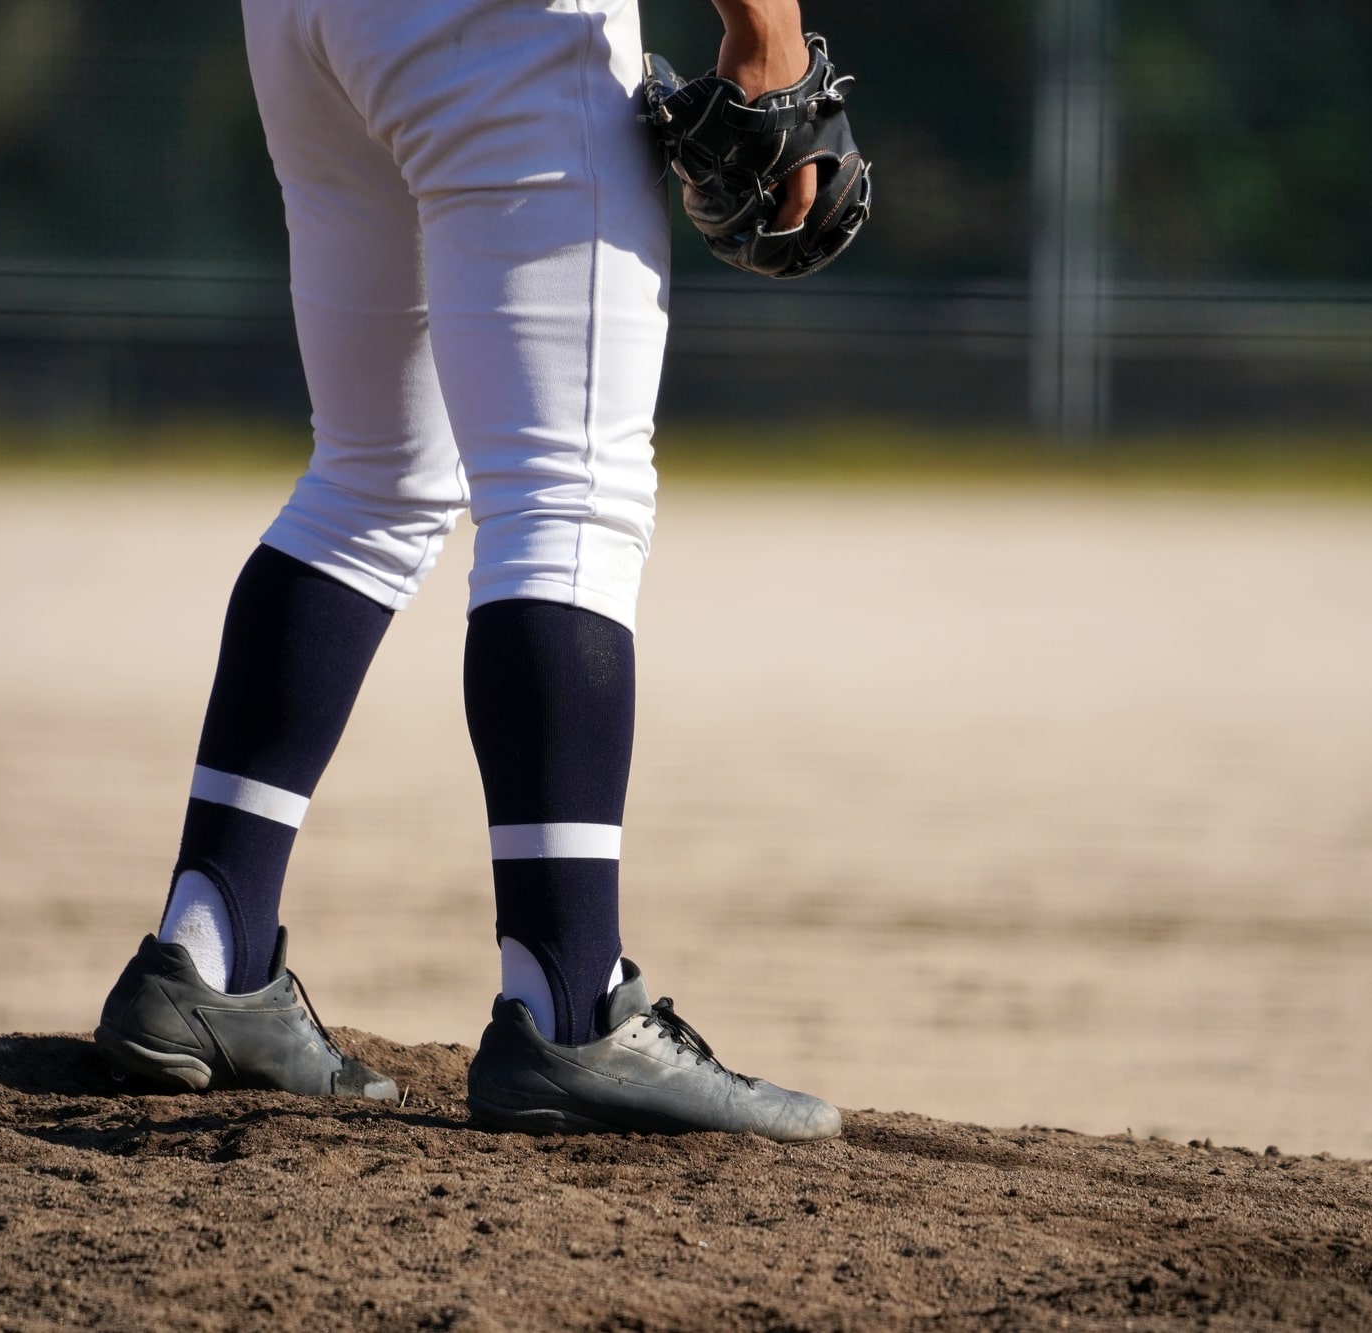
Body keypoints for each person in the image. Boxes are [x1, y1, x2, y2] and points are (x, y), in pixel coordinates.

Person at [92, 0, 840, 1142]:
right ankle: (571, 1007)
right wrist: (766, 28)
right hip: (498, 23)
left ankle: (207, 947)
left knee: (369, 480)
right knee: (570, 493)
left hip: (305, 26)